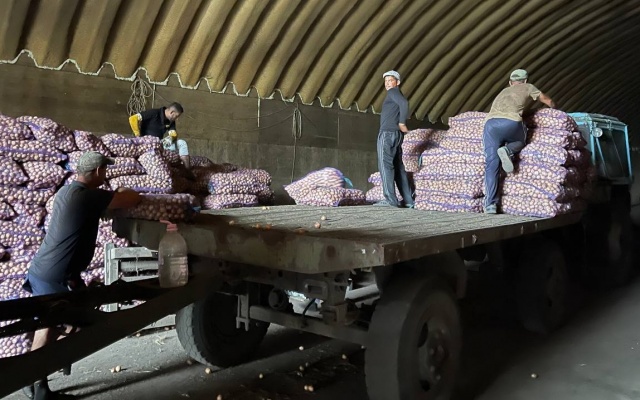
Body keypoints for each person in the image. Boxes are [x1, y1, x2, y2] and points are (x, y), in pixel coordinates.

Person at [22, 151, 142, 400]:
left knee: (75, 319)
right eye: (104, 170)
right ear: (97, 171)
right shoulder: (88, 196)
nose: (105, 174)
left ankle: (40, 372)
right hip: (54, 273)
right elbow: (132, 199)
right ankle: (37, 386)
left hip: (53, 269)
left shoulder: (67, 191)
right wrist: (121, 191)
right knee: (49, 326)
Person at [482, 69, 556, 214]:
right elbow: (547, 100)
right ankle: (508, 150)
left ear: (510, 82)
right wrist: (556, 109)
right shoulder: (528, 87)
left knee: (491, 164)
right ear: (525, 81)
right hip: (511, 123)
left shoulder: (503, 91)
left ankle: (490, 205)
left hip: (490, 125)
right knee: (521, 141)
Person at [375, 70, 414, 208]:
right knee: (398, 168)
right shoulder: (396, 94)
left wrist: (402, 123)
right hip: (397, 135)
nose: (387, 83)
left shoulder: (393, 92)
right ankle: (408, 201)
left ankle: (390, 200)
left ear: (397, 82)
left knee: (385, 165)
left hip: (387, 134)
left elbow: (404, 103)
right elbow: (403, 104)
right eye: (386, 81)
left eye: (390, 80)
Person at [128, 102, 191, 169]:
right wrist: (137, 135)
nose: (177, 119)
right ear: (172, 112)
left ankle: (187, 169)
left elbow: (173, 133)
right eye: (176, 116)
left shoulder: (171, 121)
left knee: (181, 143)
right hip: (146, 144)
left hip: (159, 144)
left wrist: (171, 138)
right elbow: (133, 118)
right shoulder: (154, 113)